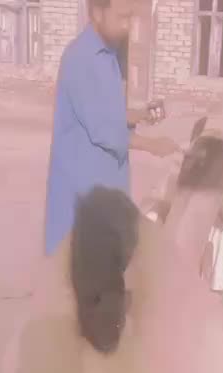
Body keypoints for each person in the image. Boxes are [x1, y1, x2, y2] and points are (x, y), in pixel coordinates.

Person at [44, 0, 179, 256]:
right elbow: (104, 128)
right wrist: (153, 145)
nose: (128, 27)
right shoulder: (81, 58)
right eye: (123, 17)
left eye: (131, 18)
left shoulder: (108, 55)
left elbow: (106, 111)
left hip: (104, 187)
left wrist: (141, 115)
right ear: (97, 12)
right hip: (83, 191)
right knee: (80, 264)